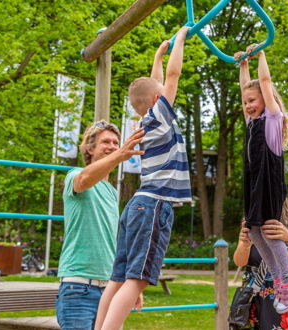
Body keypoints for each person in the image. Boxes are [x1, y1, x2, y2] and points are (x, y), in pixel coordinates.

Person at [95, 26, 192, 330]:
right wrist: (179, 42)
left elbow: (158, 83)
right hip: (153, 207)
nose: (167, 94)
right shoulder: (160, 114)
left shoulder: (146, 119)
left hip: (136, 206)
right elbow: (172, 78)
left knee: (117, 279)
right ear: (156, 99)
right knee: (136, 282)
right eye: (162, 95)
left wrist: (157, 55)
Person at [55, 120, 145, 330]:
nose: (113, 146)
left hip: (110, 290)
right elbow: (84, 180)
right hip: (78, 288)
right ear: (89, 148)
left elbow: (114, 243)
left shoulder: (112, 193)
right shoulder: (74, 175)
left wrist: (130, 285)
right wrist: (120, 154)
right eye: (106, 141)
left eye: (116, 142)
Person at [234, 46, 288, 314]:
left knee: (270, 229)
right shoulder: (251, 122)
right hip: (253, 186)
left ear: (267, 99)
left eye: (253, 100)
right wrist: (243, 65)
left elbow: (265, 82)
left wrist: (260, 55)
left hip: (269, 186)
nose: (248, 105)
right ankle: (282, 281)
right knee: (253, 231)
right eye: (246, 102)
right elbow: (245, 88)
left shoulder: (272, 120)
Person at [233, 200, 288, 329]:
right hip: (255, 293)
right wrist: (245, 244)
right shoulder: (251, 229)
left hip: (285, 293)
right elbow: (239, 262)